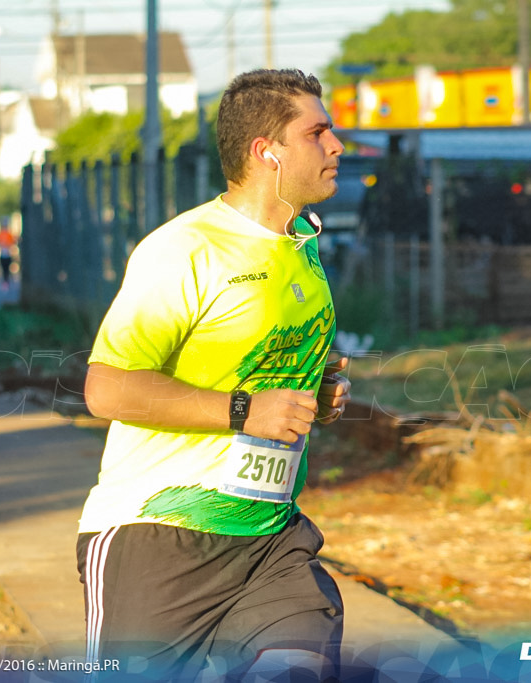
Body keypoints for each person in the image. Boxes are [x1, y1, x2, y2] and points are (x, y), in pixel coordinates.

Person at [77, 68, 352, 682]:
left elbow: (268, 363)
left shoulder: (301, 246)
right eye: (318, 133)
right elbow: (106, 388)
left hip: (270, 536)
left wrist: (319, 390)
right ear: (266, 152)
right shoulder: (184, 250)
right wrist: (247, 410)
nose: (336, 146)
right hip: (159, 537)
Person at [0, 219, 16, 291]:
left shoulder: (9, 234)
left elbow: (12, 243)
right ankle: (5, 282)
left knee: (7, 269)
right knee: (4, 270)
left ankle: (7, 282)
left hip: (8, 254)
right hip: (2, 254)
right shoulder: (0, 234)